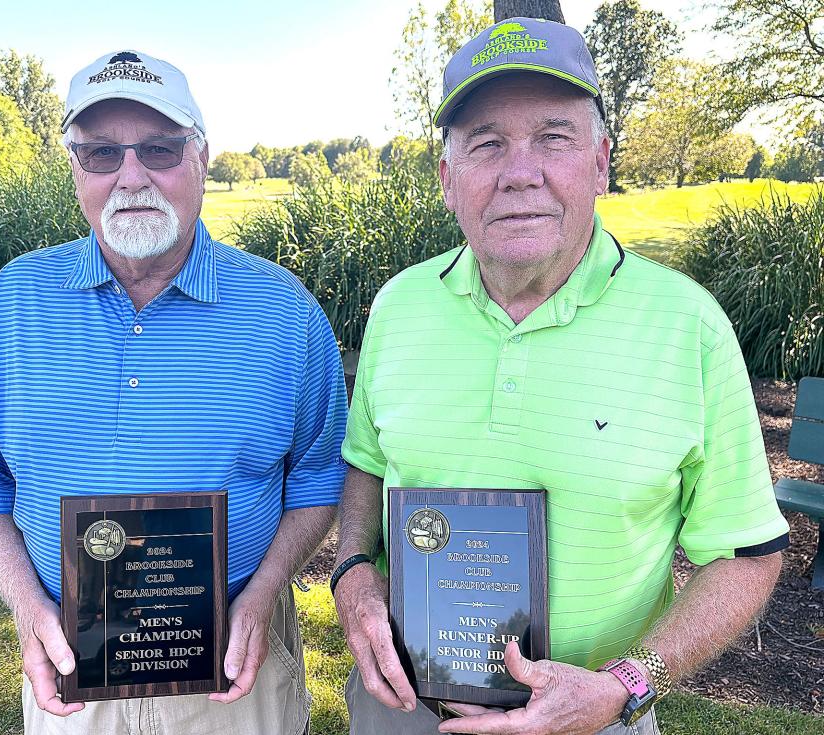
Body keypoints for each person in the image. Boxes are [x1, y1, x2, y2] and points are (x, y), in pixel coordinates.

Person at [331, 18, 790, 735]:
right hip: (403, 709)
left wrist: (626, 684)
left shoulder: (688, 328)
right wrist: (354, 569)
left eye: (554, 137)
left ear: (601, 162)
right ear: (448, 179)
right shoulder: (398, 306)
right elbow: (364, 461)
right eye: (486, 143)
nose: (521, 171)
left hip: (598, 718)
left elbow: (747, 557)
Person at [0, 50, 347, 735]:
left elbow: (317, 477)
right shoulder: (8, 308)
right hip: (72, 676)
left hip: (236, 672)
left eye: (159, 149)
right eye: (101, 154)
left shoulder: (284, 313)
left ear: (203, 157)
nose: (131, 176)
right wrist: (28, 608)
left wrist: (267, 589)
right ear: (74, 168)